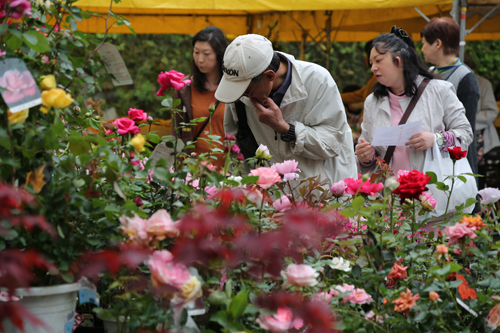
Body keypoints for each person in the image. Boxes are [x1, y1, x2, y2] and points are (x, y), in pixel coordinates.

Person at [215, 34, 356, 184]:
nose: (242, 95)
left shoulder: (317, 80)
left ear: (269, 76)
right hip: (270, 196)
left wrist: (285, 128)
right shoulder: (239, 94)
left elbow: (333, 143)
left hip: (321, 192)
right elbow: (235, 148)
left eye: (246, 90)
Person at [356, 28, 473, 180]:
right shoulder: (372, 101)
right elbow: (369, 154)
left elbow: (465, 133)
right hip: (389, 196)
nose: (373, 68)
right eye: (371, 63)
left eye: (378, 61)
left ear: (398, 60)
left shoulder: (439, 91)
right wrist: (365, 157)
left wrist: (435, 139)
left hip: (431, 192)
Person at [420, 18, 480, 182]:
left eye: (424, 43)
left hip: (456, 163)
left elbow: (466, 132)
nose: (422, 49)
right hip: (429, 159)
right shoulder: (428, 73)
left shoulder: (465, 77)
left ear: (437, 44)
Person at [172, 26, 228, 169]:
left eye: (206, 53)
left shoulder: (234, 88)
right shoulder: (184, 88)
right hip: (194, 170)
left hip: (229, 169)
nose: (200, 59)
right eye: (196, 52)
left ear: (219, 54)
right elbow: (176, 132)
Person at [475, 74, 500, 189]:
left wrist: (466, 119)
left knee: (478, 176)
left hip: (479, 138)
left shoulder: (483, 83)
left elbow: (491, 112)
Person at [340, 40, 378, 106]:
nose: (365, 57)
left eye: (367, 54)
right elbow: (357, 95)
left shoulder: (379, 79)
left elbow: (357, 96)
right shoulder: (375, 77)